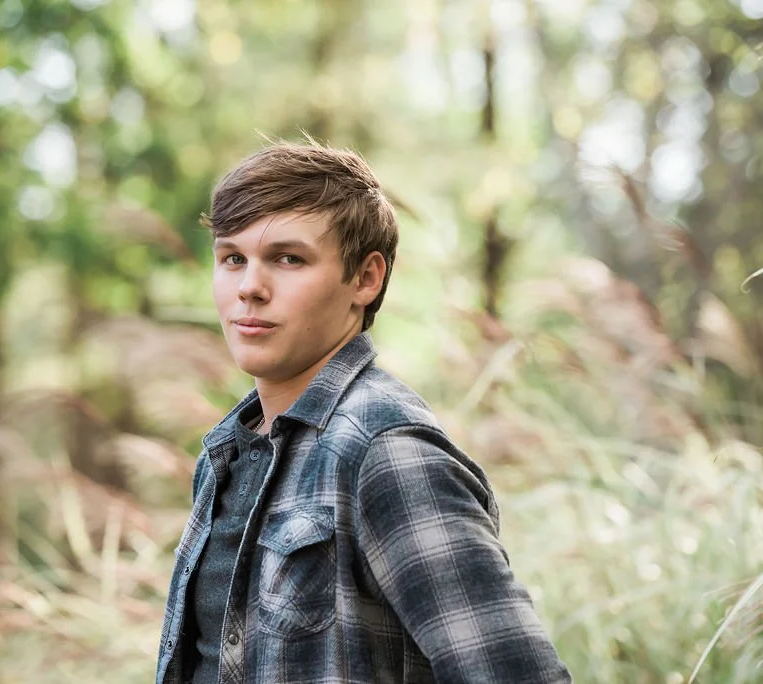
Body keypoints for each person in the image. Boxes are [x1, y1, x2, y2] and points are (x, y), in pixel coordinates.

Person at [155, 142, 571, 684]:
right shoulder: (228, 453)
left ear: (365, 279)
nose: (249, 288)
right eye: (232, 258)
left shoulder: (386, 452)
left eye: (288, 258)